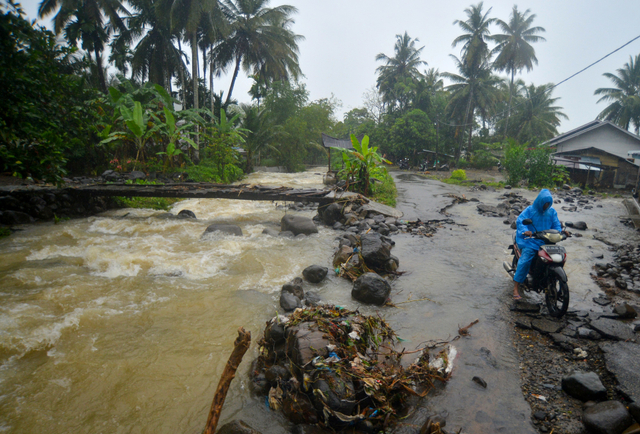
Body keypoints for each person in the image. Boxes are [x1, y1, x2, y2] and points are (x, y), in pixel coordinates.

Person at [513, 189, 563, 300]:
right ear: (539, 201)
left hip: (546, 241)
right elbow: (520, 221)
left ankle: (549, 281)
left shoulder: (552, 212)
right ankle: (516, 288)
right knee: (525, 260)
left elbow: (556, 225)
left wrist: (561, 232)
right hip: (530, 240)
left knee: (557, 257)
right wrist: (526, 230)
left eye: (548, 204)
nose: (546, 206)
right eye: (544, 204)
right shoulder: (530, 210)